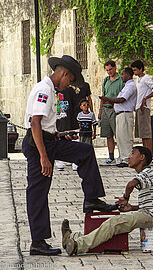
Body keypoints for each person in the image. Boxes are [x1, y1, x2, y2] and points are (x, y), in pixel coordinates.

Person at [22, 55, 117, 256]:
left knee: (85, 151)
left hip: (49, 140)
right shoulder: (44, 90)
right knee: (38, 191)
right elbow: (35, 123)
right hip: (38, 144)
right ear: (64, 73)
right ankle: (37, 242)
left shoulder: (52, 90)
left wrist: (58, 134)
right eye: (70, 80)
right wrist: (43, 157)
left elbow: (45, 124)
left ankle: (91, 198)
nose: (70, 85)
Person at [61, 146, 153, 256]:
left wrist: (125, 198)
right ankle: (72, 238)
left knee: (114, 223)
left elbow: (131, 184)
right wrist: (132, 207)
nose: (129, 157)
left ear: (142, 157)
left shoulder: (147, 173)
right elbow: (152, 202)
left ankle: (78, 247)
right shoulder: (147, 174)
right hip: (149, 213)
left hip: (152, 216)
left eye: (133, 154)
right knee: (109, 225)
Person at [100, 67, 137, 167]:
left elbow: (122, 99)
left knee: (126, 137)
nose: (121, 76)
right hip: (120, 114)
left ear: (128, 75)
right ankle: (122, 157)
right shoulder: (126, 86)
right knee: (120, 137)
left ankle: (127, 158)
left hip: (125, 113)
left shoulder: (130, 86)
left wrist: (108, 99)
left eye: (123, 74)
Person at [131, 60, 153, 156]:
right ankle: (145, 155)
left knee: (147, 133)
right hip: (139, 107)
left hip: (144, 108)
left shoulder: (146, 78)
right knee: (143, 134)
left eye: (135, 70)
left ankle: (149, 155)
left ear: (141, 69)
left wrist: (146, 98)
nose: (134, 72)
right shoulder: (138, 79)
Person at [98, 60, 124, 165]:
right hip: (105, 108)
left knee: (118, 133)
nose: (109, 72)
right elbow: (103, 95)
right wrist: (100, 111)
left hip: (115, 108)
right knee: (108, 134)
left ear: (115, 68)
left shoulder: (121, 80)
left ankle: (121, 155)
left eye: (110, 69)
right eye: (107, 70)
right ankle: (110, 157)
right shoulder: (106, 80)